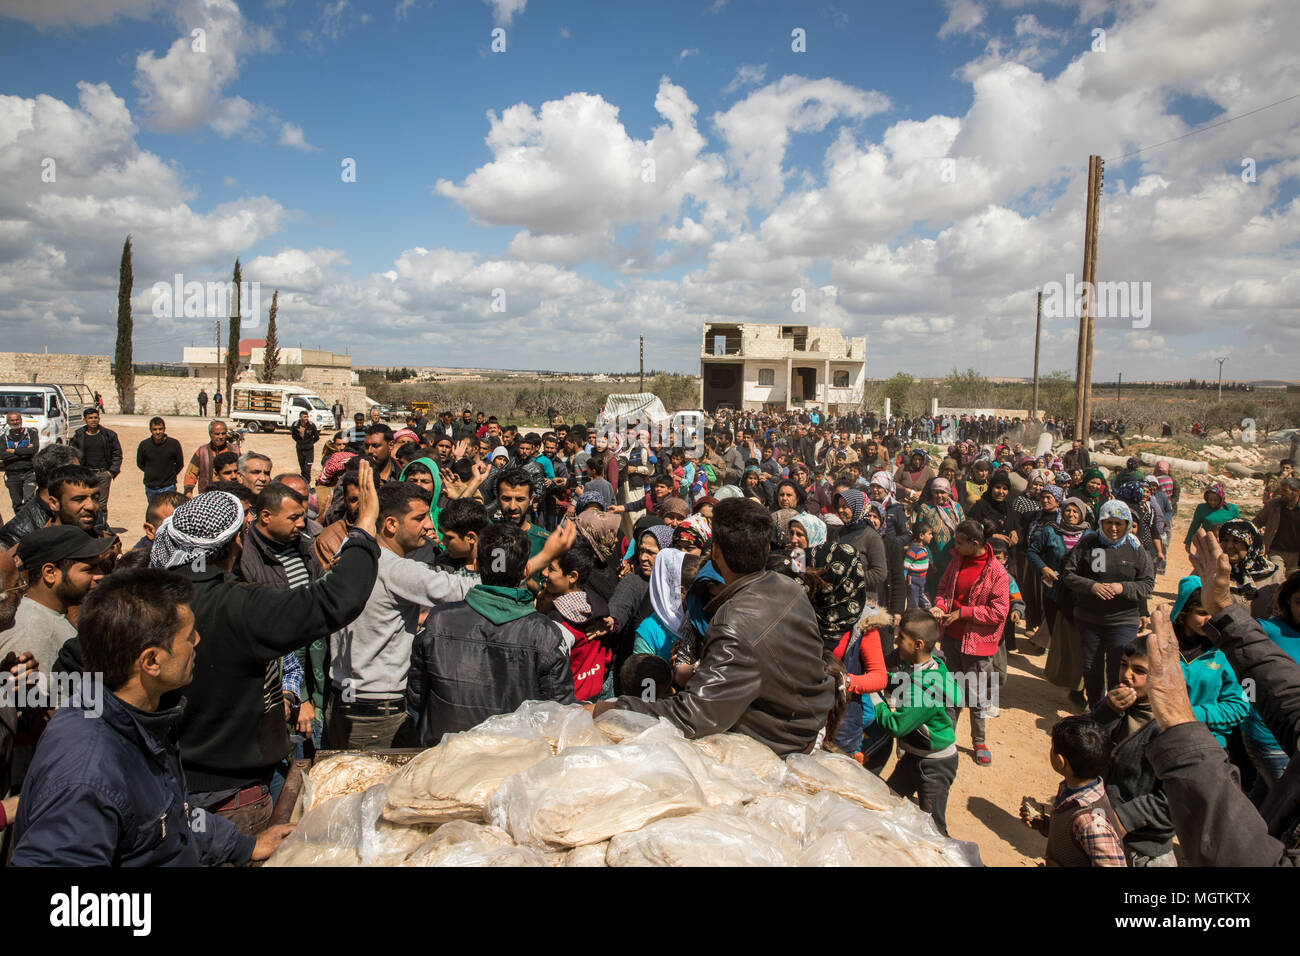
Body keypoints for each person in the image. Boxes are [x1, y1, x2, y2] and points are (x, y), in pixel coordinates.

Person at [143, 466, 382, 834]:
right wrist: (365, 527)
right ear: (236, 541)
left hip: (157, 789)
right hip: (230, 804)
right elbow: (334, 600)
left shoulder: (137, 599)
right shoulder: (239, 605)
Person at [11, 569, 294, 866]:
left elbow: (171, 819)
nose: (197, 641)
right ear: (151, 661)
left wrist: (243, 846)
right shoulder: (87, 772)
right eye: (188, 636)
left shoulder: (143, 720)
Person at [599, 498, 835, 755]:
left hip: (775, 743)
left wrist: (611, 709)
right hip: (807, 727)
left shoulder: (731, 622)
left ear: (717, 552)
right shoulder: (788, 588)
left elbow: (694, 716)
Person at [1140, 532, 1300, 865]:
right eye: (1200, 611)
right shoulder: (1158, 643)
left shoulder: (1219, 658)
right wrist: (1226, 611)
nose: (1206, 619)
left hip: (1204, 753)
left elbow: (1242, 701)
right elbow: (1285, 691)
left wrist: (1186, 720)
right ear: (1182, 613)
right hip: (1161, 748)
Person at [407, 521, 579, 743]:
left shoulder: (438, 621)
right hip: (514, 765)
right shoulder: (546, 633)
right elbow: (558, 715)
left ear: (477, 565)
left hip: (446, 760)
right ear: (526, 570)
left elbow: (415, 698)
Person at [237, 482, 326, 762]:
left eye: (302, 516)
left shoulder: (304, 546)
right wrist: (297, 695)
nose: (302, 524)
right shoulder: (246, 560)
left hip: (316, 661)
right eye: (293, 517)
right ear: (265, 516)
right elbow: (261, 630)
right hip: (281, 673)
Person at [872, 610, 962, 836]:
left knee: (933, 827)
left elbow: (896, 727)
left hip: (934, 766)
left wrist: (875, 697)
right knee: (889, 800)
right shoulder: (929, 666)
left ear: (918, 644)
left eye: (901, 638)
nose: (896, 642)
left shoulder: (925, 690)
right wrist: (884, 678)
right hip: (915, 756)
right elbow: (904, 681)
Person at [1062, 500, 1155, 710]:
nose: (1113, 528)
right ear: (1101, 522)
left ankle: (1116, 713)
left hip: (1123, 620)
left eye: (1119, 523)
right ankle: (1097, 709)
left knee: (1118, 669)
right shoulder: (1089, 543)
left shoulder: (1136, 548)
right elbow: (1068, 574)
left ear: (1127, 524)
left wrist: (1122, 588)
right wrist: (1091, 586)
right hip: (1089, 619)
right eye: (1108, 522)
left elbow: (1147, 584)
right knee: (1091, 668)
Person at [931, 520, 1010, 766]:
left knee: (975, 695)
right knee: (950, 692)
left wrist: (964, 613)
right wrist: (940, 606)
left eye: (959, 542)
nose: (955, 546)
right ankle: (947, 737)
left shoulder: (996, 572)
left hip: (977, 644)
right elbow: (944, 588)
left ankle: (979, 741)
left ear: (975, 544)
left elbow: (998, 612)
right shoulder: (957, 560)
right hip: (951, 638)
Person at [1090, 639, 1175, 866]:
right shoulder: (1114, 705)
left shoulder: (1171, 728)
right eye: (1124, 665)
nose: (1127, 675)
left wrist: (1124, 819)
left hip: (1143, 850)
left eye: (1139, 670)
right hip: (1102, 828)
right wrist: (1106, 713)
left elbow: (1175, 798)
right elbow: (1081, 746)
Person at [0, 527, 115, 678]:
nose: (100, 575)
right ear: (50, 573)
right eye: (89, 569)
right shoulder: (32, 634)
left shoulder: (49, 617)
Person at [1020, 716, 1127, 867]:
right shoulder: (1073, 791)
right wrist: (1045, 824)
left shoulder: (1091, 822)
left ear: (1060, 761)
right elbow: (1074, 838)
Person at [1169, 575, 1249, 747]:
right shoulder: (1158, 647)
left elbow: (1239, 707)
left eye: (1215, 613)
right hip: (1159, 739)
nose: (1210, 620)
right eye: (1202, 613)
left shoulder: (1228, 653)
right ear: (1183, 613)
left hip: (1207, 745)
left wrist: (1191, 714)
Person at [1245, 572, 1300, 802]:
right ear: (1288, 600)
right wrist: (1253, 703)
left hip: (1293, 739)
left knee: (1265, 800)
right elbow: (1241, 673)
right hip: (1268, 738)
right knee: (1289, 802)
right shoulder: (1266, 631)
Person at [69, 408, 122, 533]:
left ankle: (102, 529)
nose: (93, 420)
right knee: (85, 502)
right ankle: (86, 528)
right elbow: (72, 454)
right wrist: (76, 472)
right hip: (85, 475)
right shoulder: (79, 435)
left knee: (101, 504)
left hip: (103, 473)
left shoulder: (109, 435)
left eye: (95, 417)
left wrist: (111, 472)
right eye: (90, 418)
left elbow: (117, 453)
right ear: (85, 420)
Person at [1254, 476, 1300, 576]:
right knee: (1276, 577)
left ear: (1297, 492)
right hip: (1276, 550)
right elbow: (1257, 521)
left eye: (1285, 491)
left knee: (1292, 582)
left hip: (1296, 553)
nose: (1281, 493)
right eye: (1281, 490)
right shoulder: (1273, 505)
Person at [183, 420, 241, 496]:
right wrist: (188, 490)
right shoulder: (202, 451)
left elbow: (243, 472)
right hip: (207, 495)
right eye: (217, 434)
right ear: (210, 434)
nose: (221, 437)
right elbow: (191, 473)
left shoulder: (235, 450)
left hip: (231, 494)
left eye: (223, 434)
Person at [137, 416, 185, 503]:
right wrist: (151, 472)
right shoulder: (144, 445)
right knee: (154, 514)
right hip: (151, 487)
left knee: (170, 513)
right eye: (155, 429)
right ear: (150, 430)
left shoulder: (174, 444)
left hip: (168, 486)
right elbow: (140, 463)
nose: (158, 432)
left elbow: (180, 464)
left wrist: (170, 474)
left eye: (160, 429)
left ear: (164, 429)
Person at [1, 411, 39, 515]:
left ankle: (31, 522)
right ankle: (20, 525)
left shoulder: (31, 434)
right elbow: (2, 455)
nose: (15, 422)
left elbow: (34, 450)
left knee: (29, 500)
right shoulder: (3, 437)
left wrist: (13, 451)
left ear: (21, 420)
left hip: (29, 472)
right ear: (8, 422)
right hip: (12, 474)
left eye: (17, 419)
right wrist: (24, 452)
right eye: (12, 420)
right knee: (17, 503)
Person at [1183, 483, 1239, 550]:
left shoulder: (1231, 509)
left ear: (1221, 499)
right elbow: (1194, 525)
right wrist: (1188, 542)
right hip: (1206, 542)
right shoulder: (1201, 508)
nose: (1212, 502)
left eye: (1215, 500)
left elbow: (1238, 527)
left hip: (1225, 544)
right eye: (1210, 500)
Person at [290, 410, 320, 483]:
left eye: (307, 416)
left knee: (307, 469)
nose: (306, 418)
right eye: (305, 417)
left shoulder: (311, 425)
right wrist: (300, 442)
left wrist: (309, 443)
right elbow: (293, 436)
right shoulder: (295, 425)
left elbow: (316, 437)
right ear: (300, 417)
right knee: (303, 469)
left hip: (309, 450)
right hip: (300, 449)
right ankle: (304, 483)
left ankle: (307, 484)